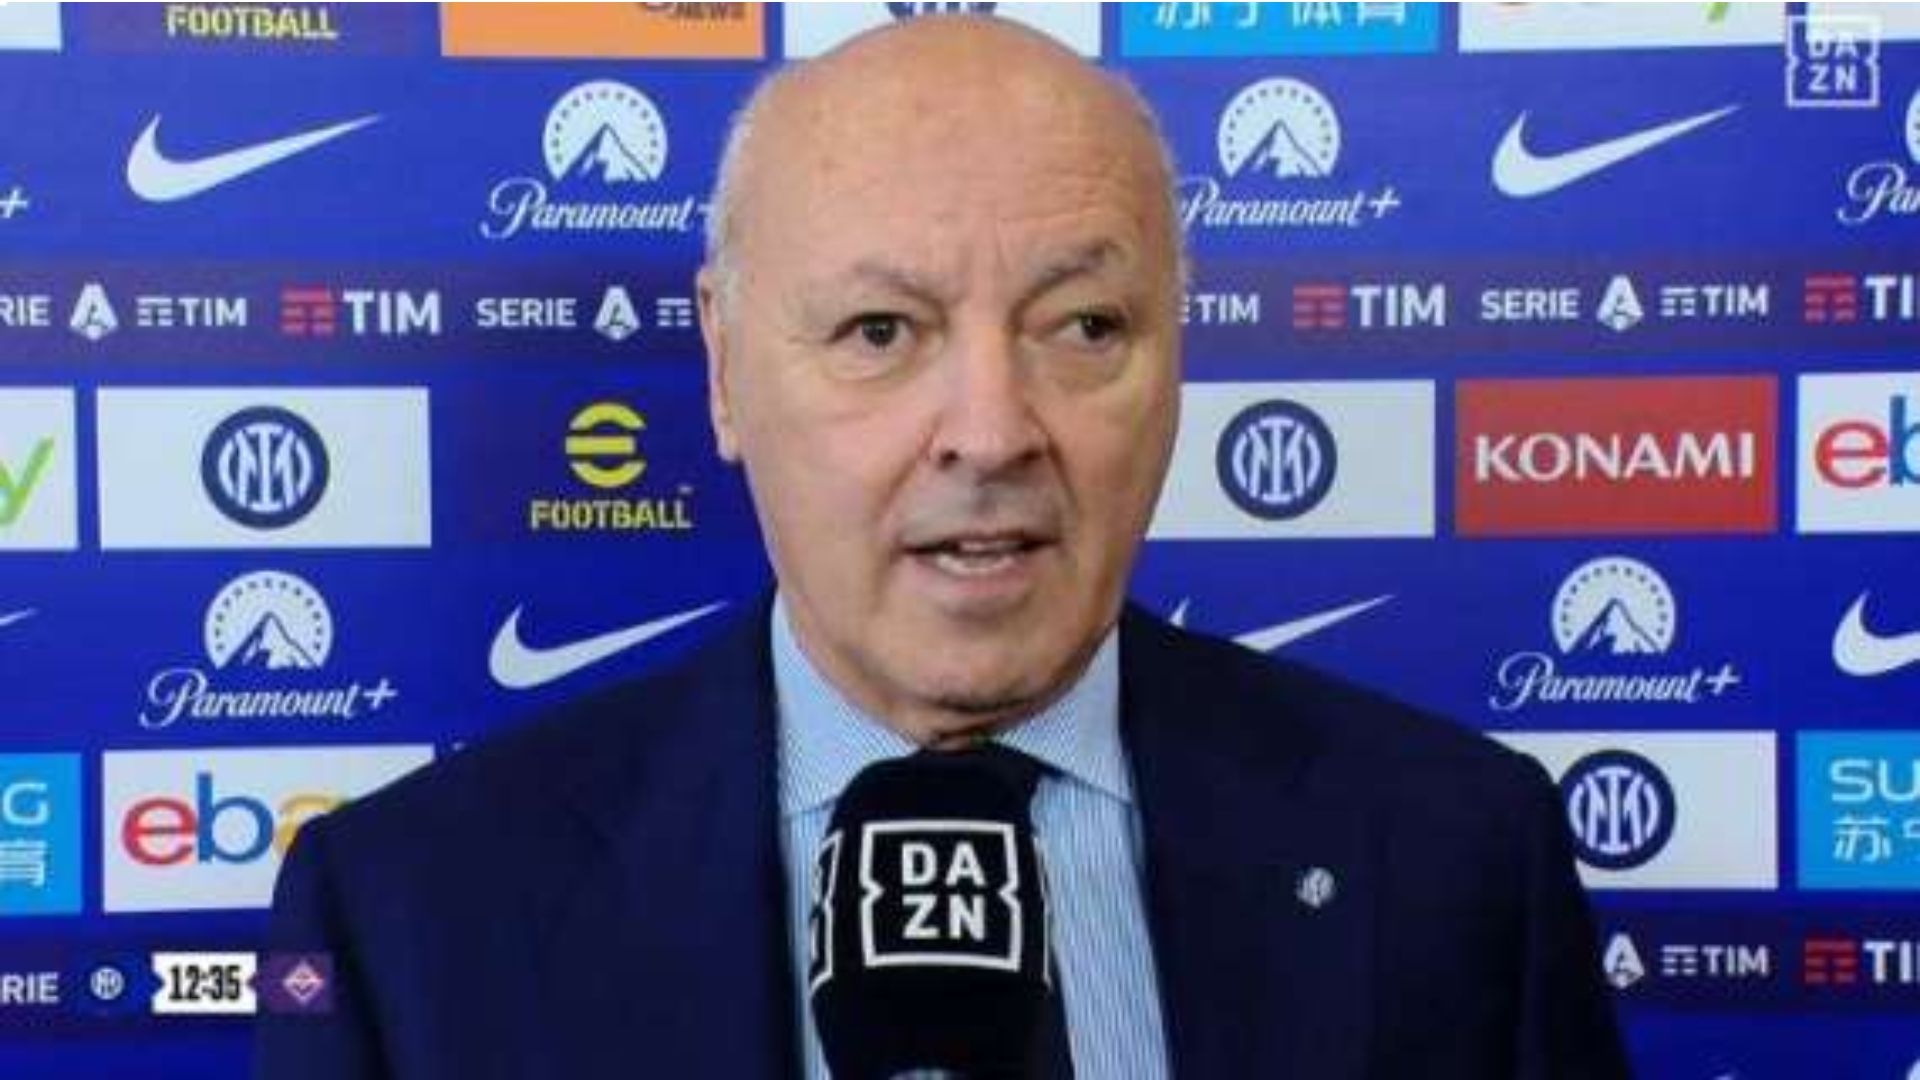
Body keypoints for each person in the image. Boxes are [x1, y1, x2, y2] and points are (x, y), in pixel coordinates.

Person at [258, 15, 1628, 1080]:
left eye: (1083, 327)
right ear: (725, 371)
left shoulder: (1459, 858)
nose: (991, 432)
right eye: (881, 332)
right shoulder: (410, 919)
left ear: (1176, 358)